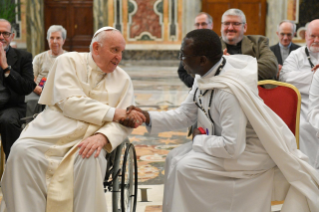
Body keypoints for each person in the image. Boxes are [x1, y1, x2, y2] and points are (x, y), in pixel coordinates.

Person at [124, 29, 319, 212]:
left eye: (184, 55)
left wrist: (200, 139)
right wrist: (147, 116)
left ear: (202, 60)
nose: (181, 61)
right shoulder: (205, 76)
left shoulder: (227, 92)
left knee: (185, 167)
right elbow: (184, 115)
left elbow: (233, 147)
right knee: (172, 158)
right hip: (224, 143)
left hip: (250, 152)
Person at [0, 26, 145, 212]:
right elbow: (69, 103)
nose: (119, 57)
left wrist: (103, 137)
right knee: (21, 152)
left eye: (121, 51)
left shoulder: (123, 80)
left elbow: (125, 123)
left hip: (89, 138)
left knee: (89, 159)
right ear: (96, 48)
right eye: (114, 50)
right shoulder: (67, 61)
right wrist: (113, 113)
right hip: (52, 131)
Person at [279, 19, 319, 170]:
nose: (316, 40)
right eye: (312, 36)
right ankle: (308, 171)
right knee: (303, 127)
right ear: (305, 36)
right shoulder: (296, 55)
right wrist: (315, 76)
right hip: (303, 104)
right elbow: (285, 77)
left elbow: (295, 79)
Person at [0, 19, 36, 159]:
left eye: (5, 33)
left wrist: (6, 67)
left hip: (12, 106)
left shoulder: (23, 57)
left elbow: (28, 87)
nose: (1, 37)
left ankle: (14, 164)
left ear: (12, 36)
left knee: (7, 121)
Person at [221, 8, 278, 80]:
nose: (230, 28)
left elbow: (271, 67)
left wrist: (234, 62)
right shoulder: (212, 45)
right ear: (221, 26)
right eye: (226, 23)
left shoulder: (258, 42)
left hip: (253, 90)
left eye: (236, 24)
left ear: (244, 27)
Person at [178, 12, 213, 88]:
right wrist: (196, 83)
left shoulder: (219, 43)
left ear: (211, 25)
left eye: (203, 24)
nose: (200, 27)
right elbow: (182, 72)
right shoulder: (187, 46)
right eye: (197, 24)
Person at [33, 25, 67, 96]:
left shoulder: (70, 58)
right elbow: (31, 80)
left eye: (58, 38)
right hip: (40, 94)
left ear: (63, 41)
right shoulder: (38, 58)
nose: (55, 41)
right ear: (48, 40)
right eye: (51, 38)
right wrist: (36, 88)